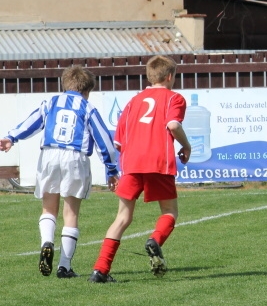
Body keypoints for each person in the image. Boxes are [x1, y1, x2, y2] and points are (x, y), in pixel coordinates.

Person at [0, 65, 119, 278]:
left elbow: (32, 122)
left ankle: (47, 241)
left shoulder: (51, 102)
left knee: (48, 208)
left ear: (65, 84)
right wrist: (111, 169)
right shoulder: (87, 107)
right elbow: (104, 141)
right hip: (75, 156)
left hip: (50, 154)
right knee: (71, 212)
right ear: (87, 90)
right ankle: (64, 266)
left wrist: (11, 137)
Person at [89, 55, 191, 283]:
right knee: (169, 213)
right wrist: (186, 145)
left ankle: (100, 270)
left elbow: (119, 142)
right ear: (170, 76)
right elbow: (173, 124)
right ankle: (155, 240)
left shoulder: (133, 102)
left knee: (122, 218)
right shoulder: (174, 98)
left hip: (132, 163)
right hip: (158, 161)